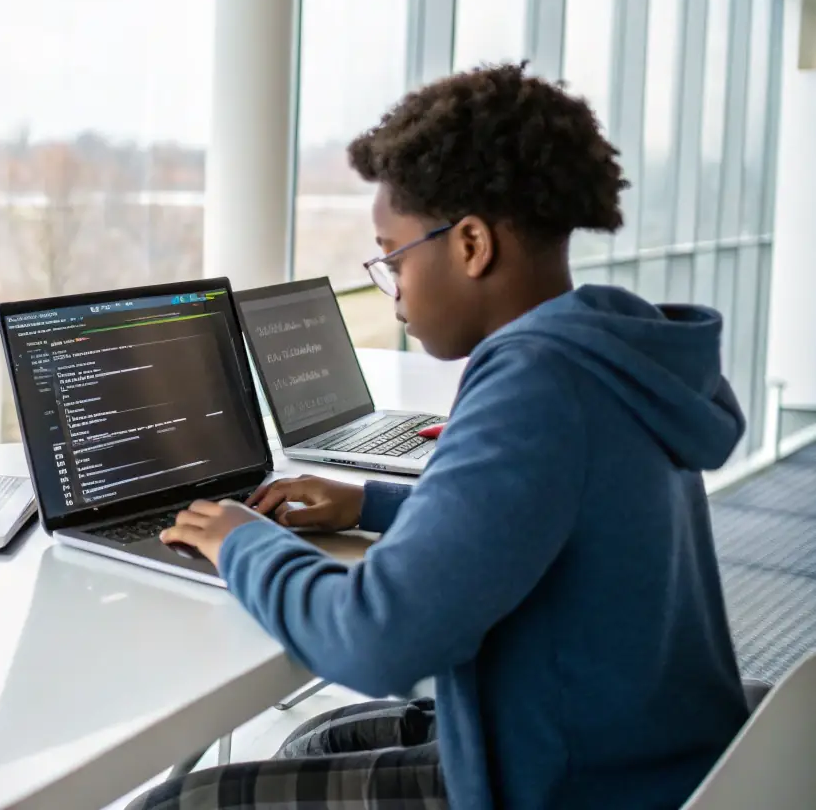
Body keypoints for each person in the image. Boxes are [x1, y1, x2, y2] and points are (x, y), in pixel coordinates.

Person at [139, 63, 750, 810]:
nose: (391, 286)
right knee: (318, 741)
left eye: (391, 256)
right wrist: (368, 503)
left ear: (469, 245)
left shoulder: (536, 384)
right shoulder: (605, 351)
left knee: (168, 806)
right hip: (641, 750)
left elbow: (375, 642)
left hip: (571, 787)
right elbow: (546, 520)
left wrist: (239, 540)